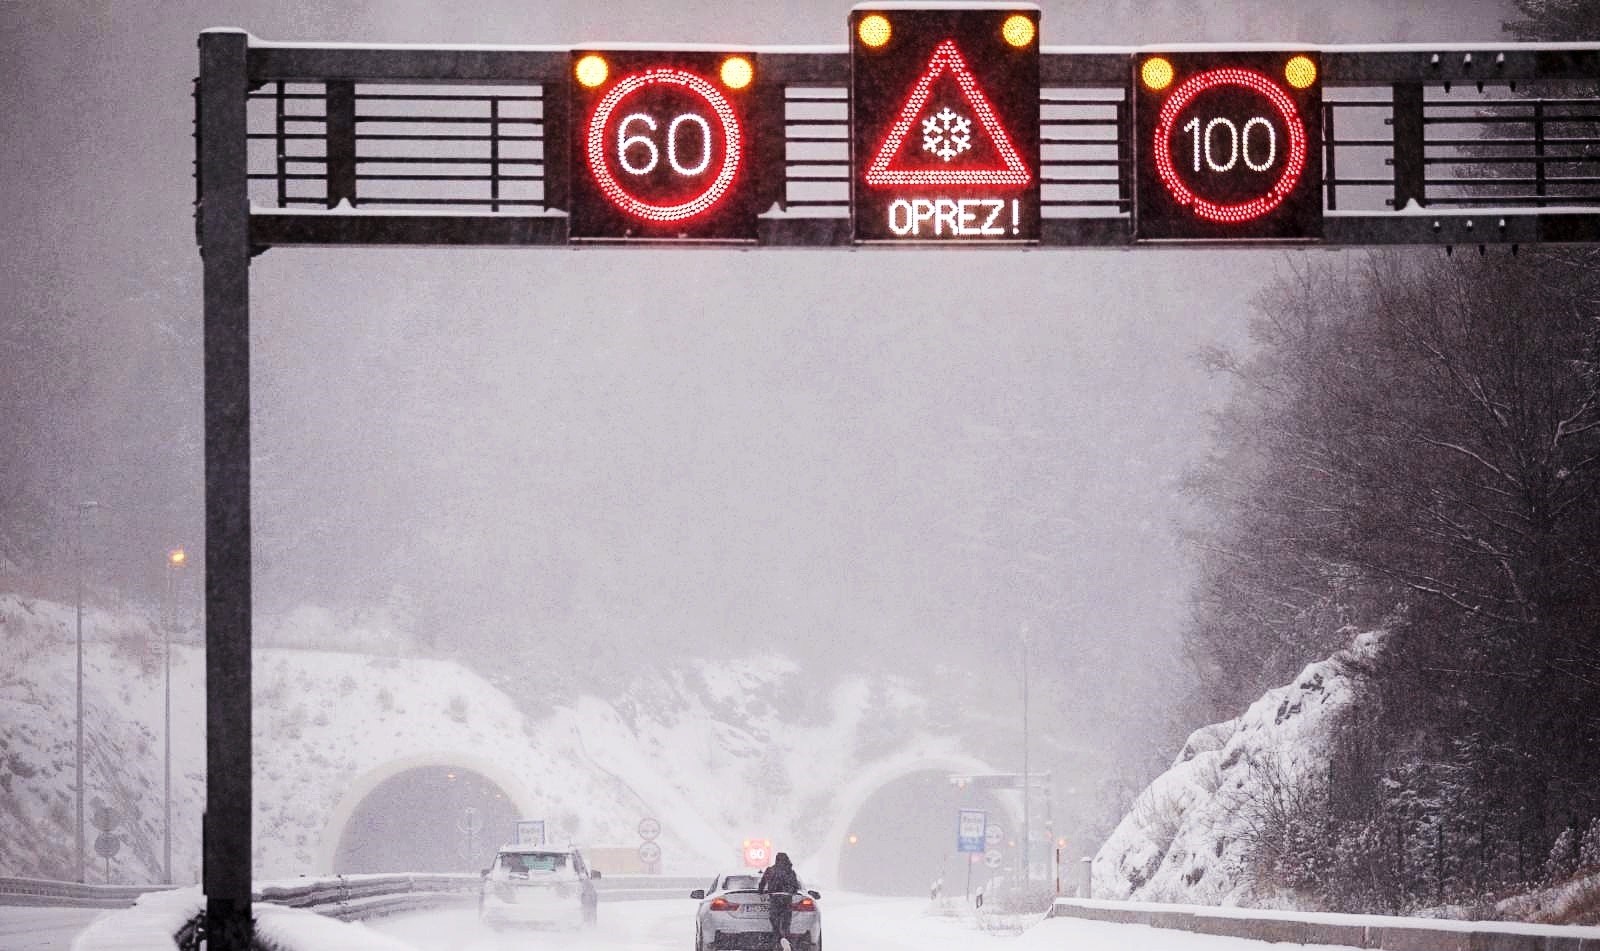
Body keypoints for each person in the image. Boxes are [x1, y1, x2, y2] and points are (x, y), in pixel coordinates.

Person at [758, 852, 800, 951]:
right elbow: (795, 887)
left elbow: (762, 884)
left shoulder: (770, 870)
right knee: (786, 923)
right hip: (787, 899)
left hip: (775, 898)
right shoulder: (790, 871)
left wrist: (761, 891)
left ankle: (778, 940)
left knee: (775, 922)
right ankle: (786, 939)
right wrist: (790, 891)